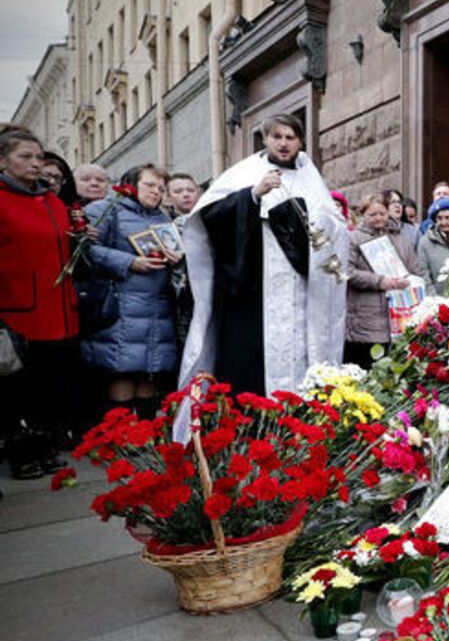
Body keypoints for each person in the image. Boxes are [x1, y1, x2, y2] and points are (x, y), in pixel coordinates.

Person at [179, 113, 347, 396]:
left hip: (301, 292)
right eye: (276, 137)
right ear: (265, 139)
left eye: (290, 137)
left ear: (300, 141)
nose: (283, 144)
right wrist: (253, 195)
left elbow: (334, 229)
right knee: (250, 368)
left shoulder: (311, 178)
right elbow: (212, 218)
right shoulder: (243, 174)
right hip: (254, 294)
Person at [0, 129, 80, 479]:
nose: (35, 164)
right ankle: (21, 455)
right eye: (25, 157)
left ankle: (45, 449)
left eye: (38, 157)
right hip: (17, 310)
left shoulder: (53, 200)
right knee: (19, 389)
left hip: (59, 307)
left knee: (50, 386)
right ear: (3, 161)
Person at [81, 164, 179, 419]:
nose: (156, 192)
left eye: (161, 188)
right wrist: (129, 262)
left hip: (157, 306)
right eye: (149, 185)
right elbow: (84, 249)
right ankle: (120, 439)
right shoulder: (104, 210)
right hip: (122, 305)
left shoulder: (162, 218)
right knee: (122, 370)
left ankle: (145, 438)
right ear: (130, 184)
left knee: (150, 372)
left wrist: (177, 257)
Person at [345, 194, 419, 368]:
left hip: (399, 316)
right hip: (365, 319)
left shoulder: (401, 239)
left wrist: (409, 281)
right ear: (363, 214)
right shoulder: (353, 238)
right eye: (372, 214)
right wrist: (380, 281)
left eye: (382, 213)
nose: (379, 218)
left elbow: (416, 270)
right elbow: (347, 273)